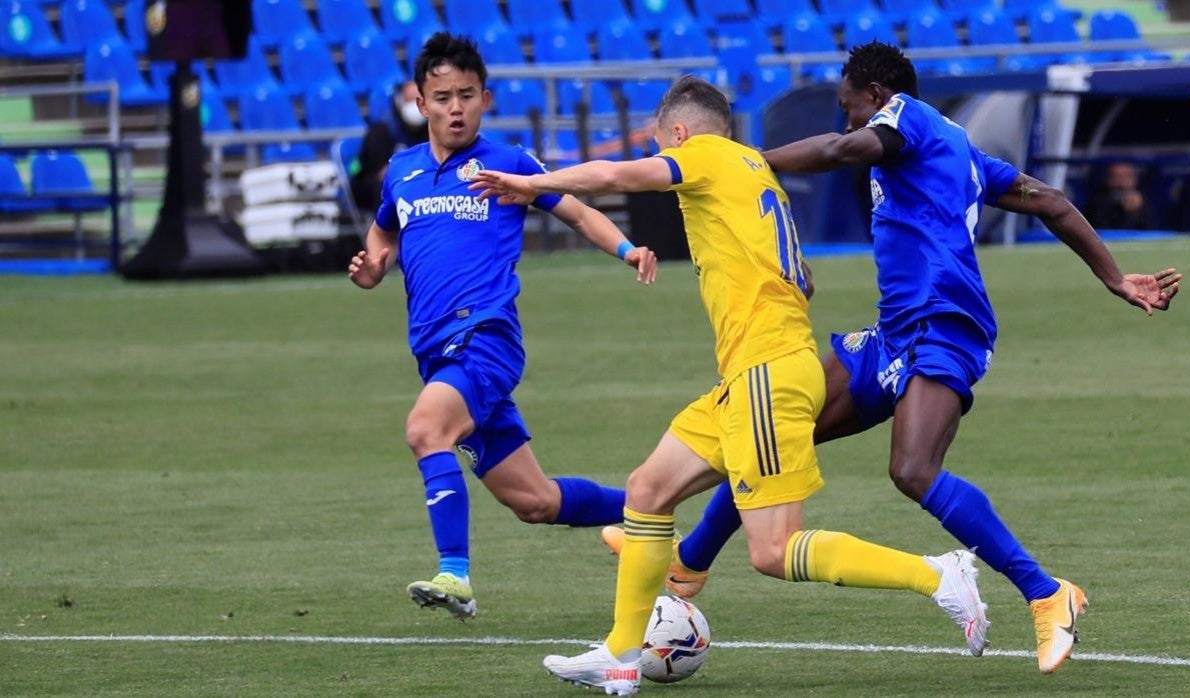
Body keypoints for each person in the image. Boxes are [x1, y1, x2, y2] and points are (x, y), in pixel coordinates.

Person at [601, 41, 1182, 676]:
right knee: (777, 424)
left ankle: (1047, 593)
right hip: (895, 333)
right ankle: (690, 561)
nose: (845, 117)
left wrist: (746, 165)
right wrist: (1114, 275)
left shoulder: (906, 116)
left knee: (913, 470)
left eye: (848, 104)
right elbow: (1048, 200)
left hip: (944, 326)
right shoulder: (957, 149)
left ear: (877, 96)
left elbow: (842, 150)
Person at [471, 75, 992, 695]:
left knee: (774, 551)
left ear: (681, 133)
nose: (668, 156)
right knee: (648, 488)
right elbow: (805, 283)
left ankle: (938, 575)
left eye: (667, 143)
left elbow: (619, 176)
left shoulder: (705, 156)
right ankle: (619, 653)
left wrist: (534, 183)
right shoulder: (756, 172)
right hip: (752, 372)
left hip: (767, 373)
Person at [347, 32, 659, 621]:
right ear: (420, 101)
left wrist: (626, 250)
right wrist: (374, 267)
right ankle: (653, 514)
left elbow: (577, 209)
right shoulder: (402, 172)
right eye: (442, 97)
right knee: (534, 501)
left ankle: (455, 575)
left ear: (486, 99)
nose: (455, 107)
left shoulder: (507, 163)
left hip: (485, 339)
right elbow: (384, 232)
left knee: (424, 430)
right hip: (437, 353)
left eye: (467, 95)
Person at [351, 80, 430, 215]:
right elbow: (382, 173)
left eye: (420, 101)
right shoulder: (381, 131)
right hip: (376, 191)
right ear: (399, 102)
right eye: (410, 101)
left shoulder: (433, 130)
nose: (415, 107)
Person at [1087, 161, 1157, 230]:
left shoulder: (1143, 202)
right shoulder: (1098, 203)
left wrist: (1136, 212)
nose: (1122, 182)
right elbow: (1103, 233)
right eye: (1116, 176)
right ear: (1108, 179)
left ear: (1135, 179)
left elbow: (1152, 231)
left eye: (1127, 176)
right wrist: (1129, 214)